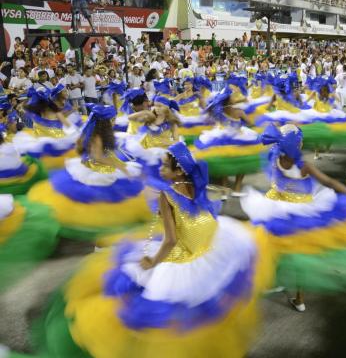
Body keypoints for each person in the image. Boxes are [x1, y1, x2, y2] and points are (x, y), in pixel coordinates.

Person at [38, 142, 273, 358]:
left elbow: (170, 241)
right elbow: (199, 220)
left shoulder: (167, 196)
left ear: (178, 171)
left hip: (184, 260)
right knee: (202, 311)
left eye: (164, 166)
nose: (160, 169)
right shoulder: (196, 187)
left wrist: (152, 261)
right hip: (210, 249)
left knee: (150, 313)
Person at [241, 124, 346, 311]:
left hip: (276, 208)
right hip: (302, 212)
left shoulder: (274, 158)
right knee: (302, 253)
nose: (302, 143)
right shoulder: (304, 167)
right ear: (296, 145)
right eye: (300, 141)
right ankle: (299, 298)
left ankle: (275, 280)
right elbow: (329, 181)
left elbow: (276, 182)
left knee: (276, 245)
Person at [26, 104, 151, 240]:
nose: (115, 121)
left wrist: (119, 164)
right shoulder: (97, 136)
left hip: (95, 165)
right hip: (94, 169)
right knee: (121, 182)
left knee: (131, 174)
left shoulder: (99, 132)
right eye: (113, 118)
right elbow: (97, 157)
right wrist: (120, 165)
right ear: (106, 121)